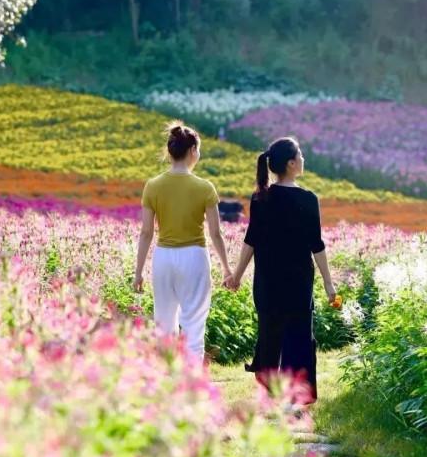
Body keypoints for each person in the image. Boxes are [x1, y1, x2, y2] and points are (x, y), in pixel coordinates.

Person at [226, 136, 336, 401]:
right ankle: (299, 394)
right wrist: (329, 284)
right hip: (298, 280)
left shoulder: (261, 197)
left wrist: (237, 275)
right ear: (290, 163)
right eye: (300, 155)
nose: (303, 159)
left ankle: (267, 388)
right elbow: (316, 245)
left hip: (268, 279)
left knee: (270, 332)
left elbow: (250, 240)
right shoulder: (308, 199)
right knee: (299, 335)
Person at [134, 121, 232, 361]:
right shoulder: (205, 188)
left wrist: (138, 272)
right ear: (192, 152)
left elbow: (146, 232)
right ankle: (192, 385)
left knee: (164, 325)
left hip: (163, 258)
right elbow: (215, 233)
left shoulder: (153, 186)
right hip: (194, 257)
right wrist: (227, 268)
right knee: (194, 327)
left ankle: (167, 384)